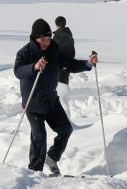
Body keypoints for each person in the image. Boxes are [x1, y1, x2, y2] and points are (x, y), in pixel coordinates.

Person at [14, 18, 98, 175]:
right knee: (39, 137)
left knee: (66, 129)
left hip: (51, 101)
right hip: (33, 103)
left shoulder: (54, 51)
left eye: (48, 38)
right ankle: (34, 172)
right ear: (34, 38)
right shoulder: (25, 53)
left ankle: (51, 158)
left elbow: (70, 64)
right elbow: (18, 71)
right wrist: (34, 66)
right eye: (43, 39)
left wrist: (87, 64)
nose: (46, 42)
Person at [52, 16, 75, 117]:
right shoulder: (69, 34)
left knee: (59, 89)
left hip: (59, 67)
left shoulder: (58, 36)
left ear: (56, 24)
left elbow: (54, 52)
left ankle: (61, 113)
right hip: (67, 65)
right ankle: (64, 111)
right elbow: (72, 51)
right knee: (64, 86)